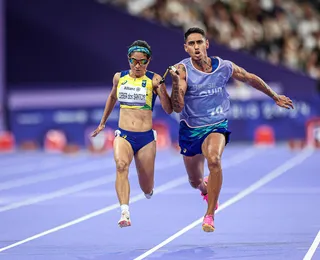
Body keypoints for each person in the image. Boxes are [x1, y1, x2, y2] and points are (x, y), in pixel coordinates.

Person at [168, 27, 294, 232]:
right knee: (194, 180)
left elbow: (249, 77)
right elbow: (177, 107)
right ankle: (204, 189)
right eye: (191, 44)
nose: (196, 47)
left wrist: (274, 96)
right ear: (186, 48)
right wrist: (174, 83)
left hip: (216, 124)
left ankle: (209, 215)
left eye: (199, 42)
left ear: (207, 44)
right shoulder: (181, 71)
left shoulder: (224, 66)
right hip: (190, 128)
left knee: (214, 160)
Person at [91, 40, 173, 228]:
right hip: (124, 135)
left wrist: (162, 89)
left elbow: (169, 109)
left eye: (142, 61)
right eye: (133, 61)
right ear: (128, 60)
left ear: (148, 61)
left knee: (147, 187)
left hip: (145, 139)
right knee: (121, 165)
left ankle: (148, 189)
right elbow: (112, 97)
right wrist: (103, 123)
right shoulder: (119, 78)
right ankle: (125, 212)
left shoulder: (153, 79)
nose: (137, 65)